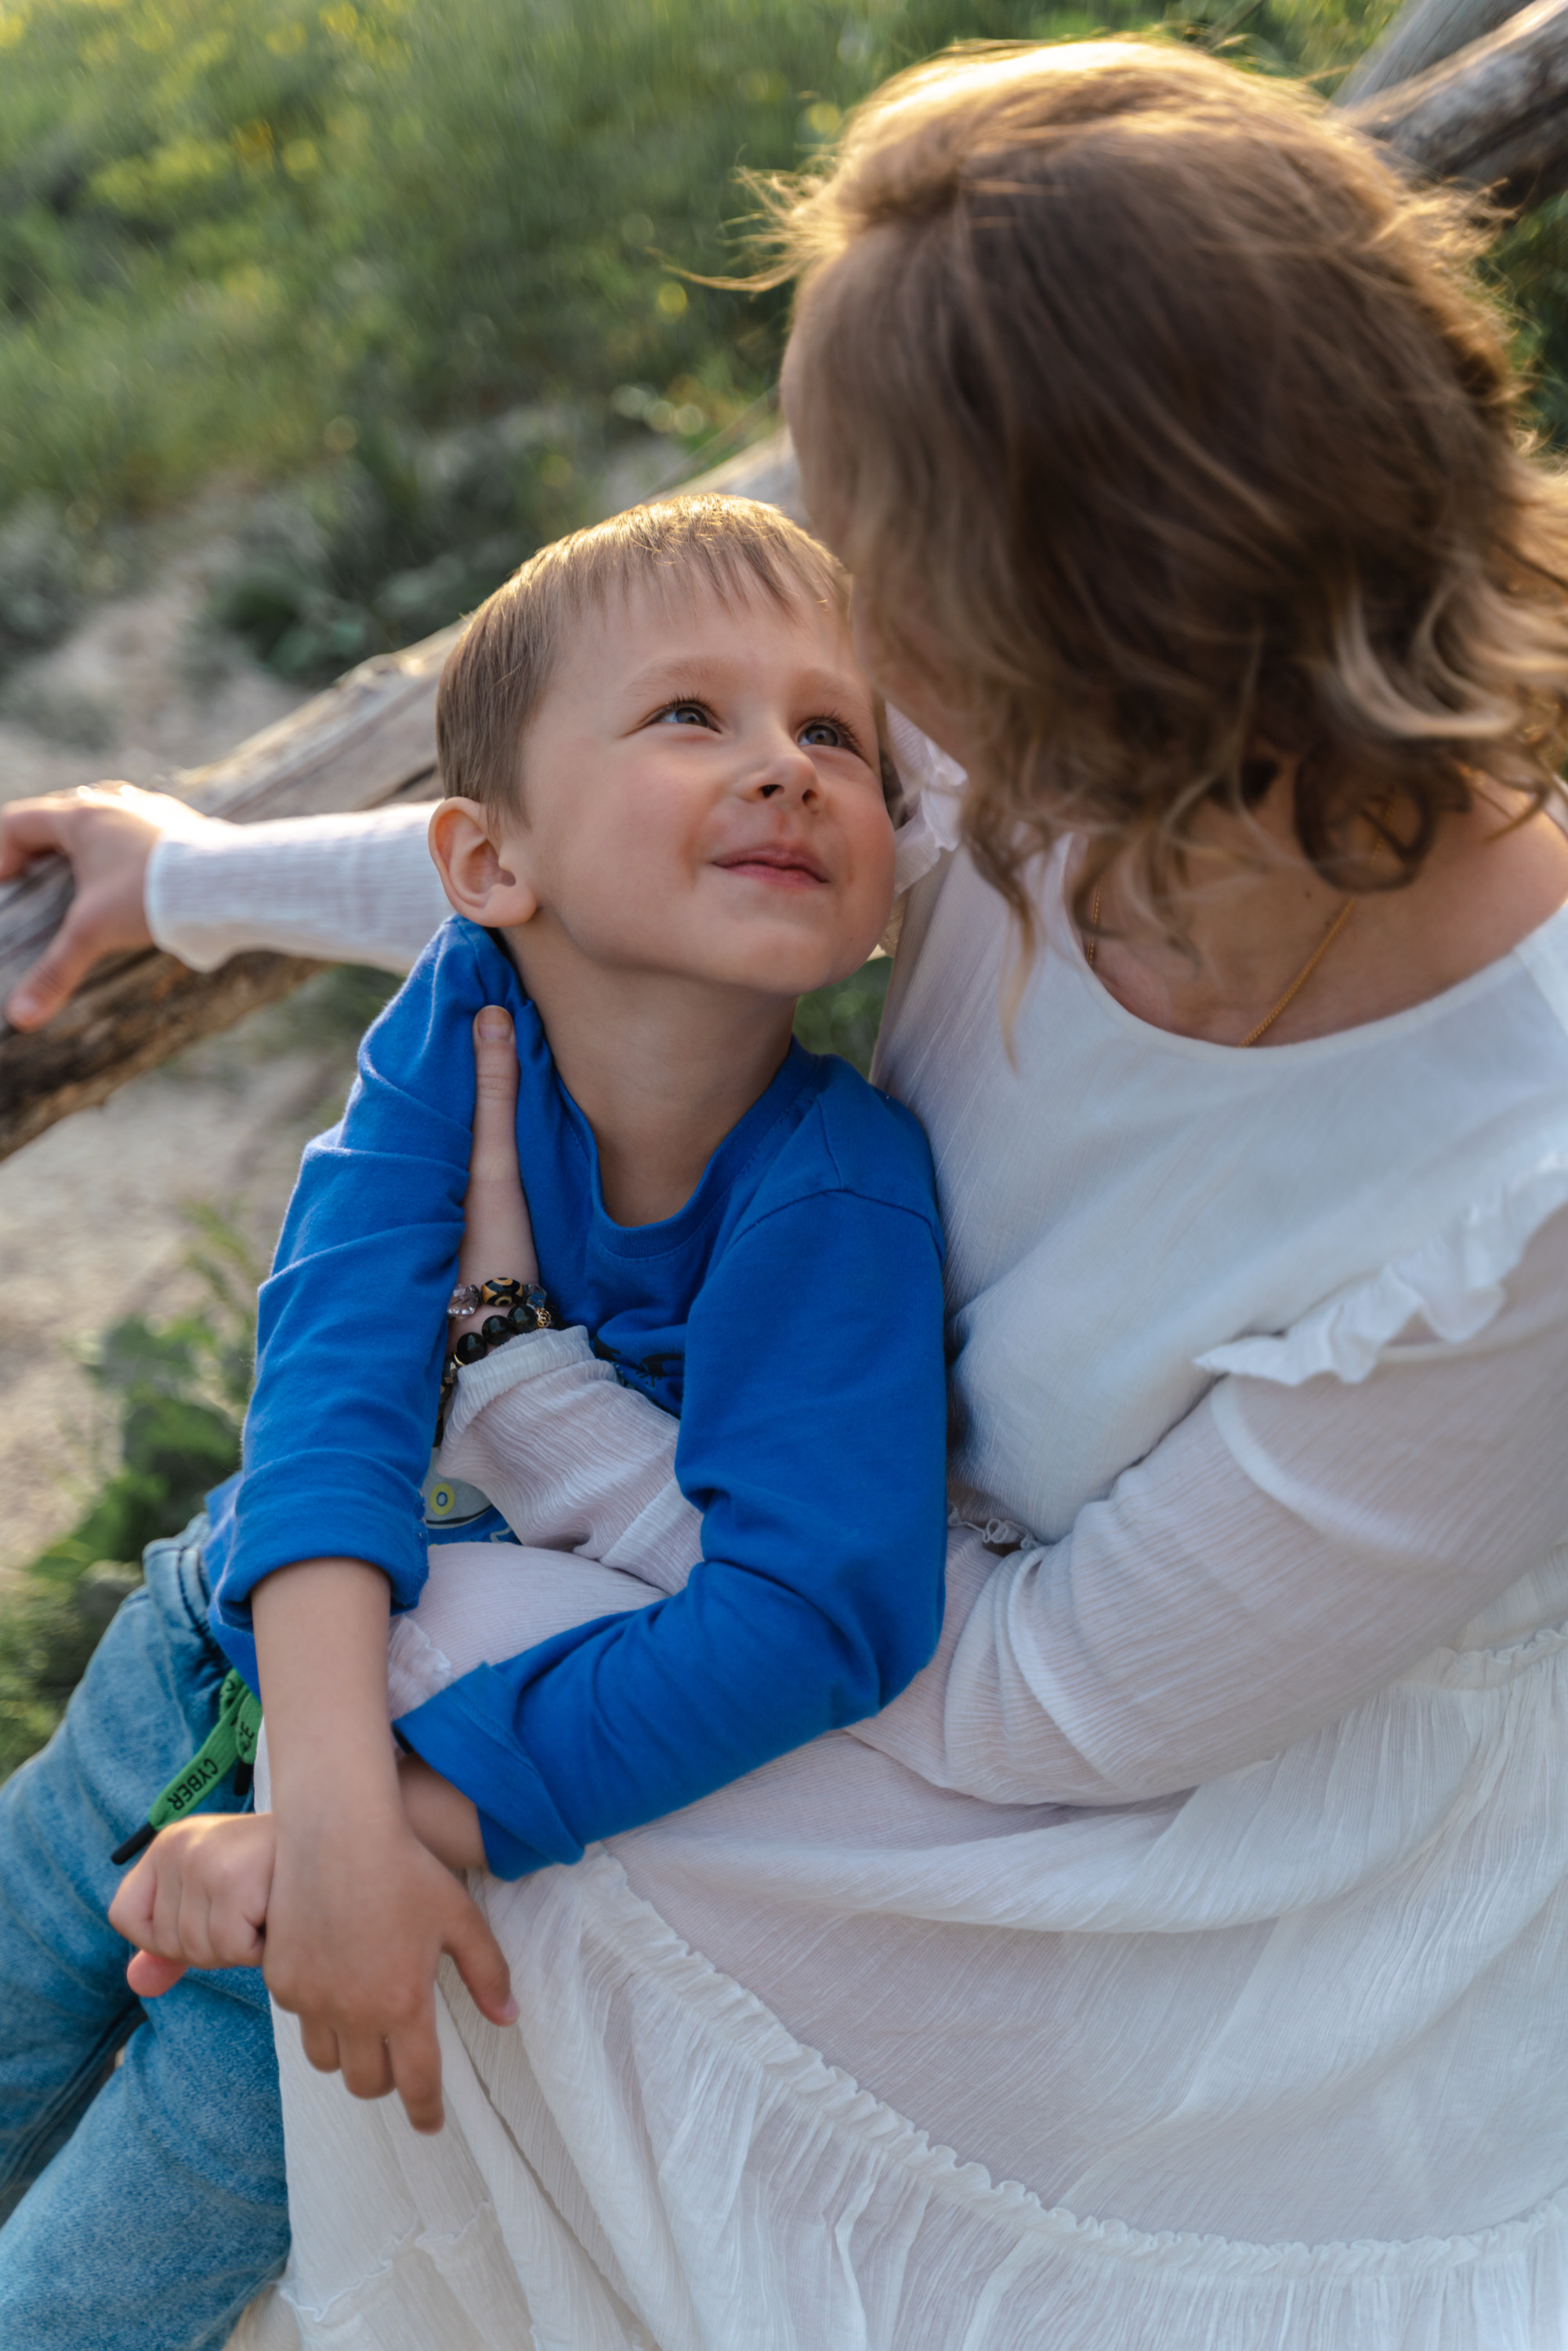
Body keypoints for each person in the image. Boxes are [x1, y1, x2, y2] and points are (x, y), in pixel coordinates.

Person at [5, 31, 1568, 2349]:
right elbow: (583, 866)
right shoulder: (1036, 748)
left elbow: (1051, 1707)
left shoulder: (1511, 1189)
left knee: (391, 1752)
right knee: (236, 1620)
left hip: (1161, 1848)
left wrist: (525, 1415)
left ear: (1071, 620)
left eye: (878, 579)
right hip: (830, 1581)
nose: (839, 665)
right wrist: (194, 875)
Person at [100, 492, 947, 2135]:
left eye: (834, 733)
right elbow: (335, 1380)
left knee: (102, 2259)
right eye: (692, 714)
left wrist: (380, 1832)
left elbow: (807, 1619)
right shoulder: (465, 1013)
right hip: (264, 1649)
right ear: (489, 859)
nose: (784, 764)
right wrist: (338, 1808)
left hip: (490, 1780)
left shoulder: (837, 1195)